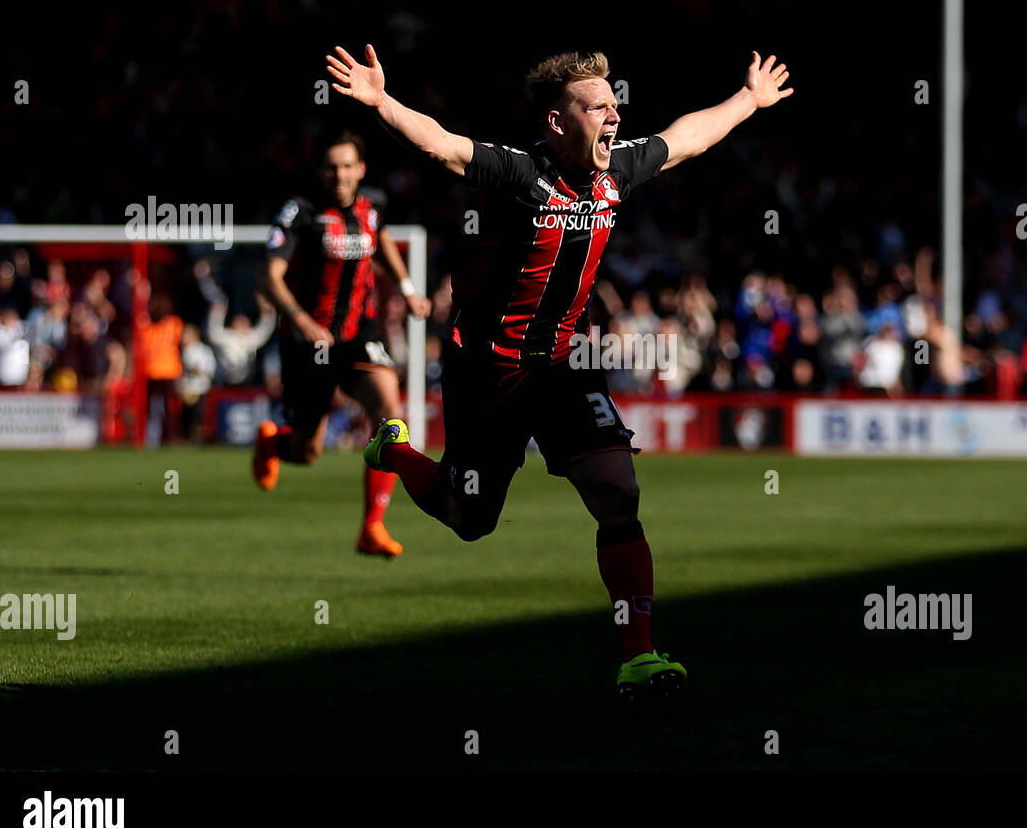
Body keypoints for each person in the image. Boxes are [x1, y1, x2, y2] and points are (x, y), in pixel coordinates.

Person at [325, 44, 793, 698]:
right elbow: (444, 146)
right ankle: (395, 450)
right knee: (470, 518)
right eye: (596, 105)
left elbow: (686, 139)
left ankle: (638, 654)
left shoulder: (615, 173)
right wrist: (381, 103)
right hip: (489, 374)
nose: (614, 114)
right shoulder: (521, 174)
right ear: (557, 121)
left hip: (566, 367)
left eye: (614, 102)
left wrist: (748, 99)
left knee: (618, 492)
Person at [252, 129, 432, 557]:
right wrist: (300, 320)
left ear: (361, 169)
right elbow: (267, 276)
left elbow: (382, 237)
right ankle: (274, 443)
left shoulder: (375, 205)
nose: (340, 174)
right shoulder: (300, 211)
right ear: (321, 170)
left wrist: (406, 287)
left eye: (348, 165)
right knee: (307, 451)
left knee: (390, 409)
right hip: (306, 343)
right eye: (332, 166)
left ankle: (372, 527)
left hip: (358, 335)